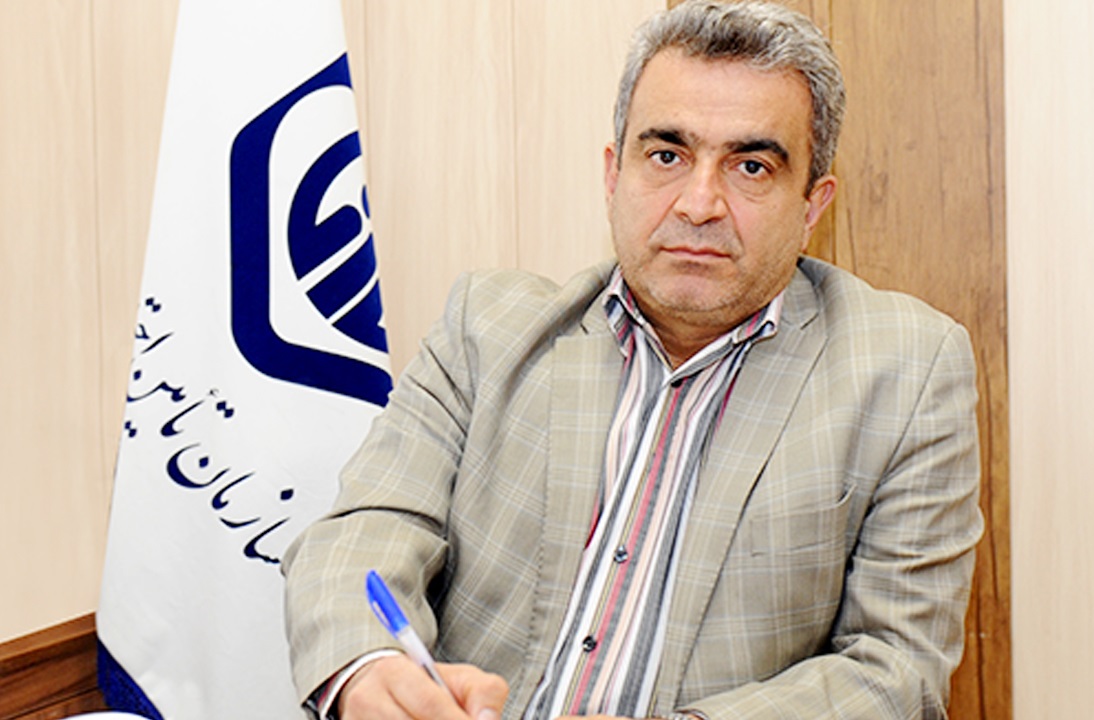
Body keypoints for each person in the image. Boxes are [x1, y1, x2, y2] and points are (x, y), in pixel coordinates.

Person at [282, 2, 983, 719]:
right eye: (667, 156)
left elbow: (897, 669)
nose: (700, 204)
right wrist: (369, 668)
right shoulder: (487, 329)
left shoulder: (907, 374)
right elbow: (363, 530)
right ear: (614, 175)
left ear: (812, 205)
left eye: (750, 166)